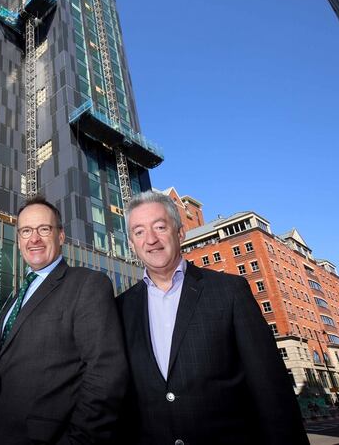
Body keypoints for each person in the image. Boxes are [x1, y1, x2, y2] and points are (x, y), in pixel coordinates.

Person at [115, 191, 308, 445]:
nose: (150, 239)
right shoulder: (121, 308)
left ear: (180, 233)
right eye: (139, 232)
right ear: (131, 243)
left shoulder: (230, 292)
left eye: (160, 227)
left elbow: (270, 389)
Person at [0, 196, 128, 445]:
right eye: (26, 231)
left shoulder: (87, 284)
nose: (34, 239)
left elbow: (106, 374)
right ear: (19, 241)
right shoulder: (13, 299)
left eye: (44, 229)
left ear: (61, 236)